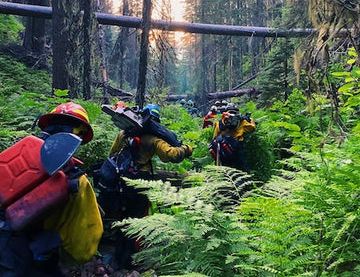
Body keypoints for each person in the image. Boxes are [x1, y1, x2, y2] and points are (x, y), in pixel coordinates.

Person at [0, 102, 103, 277]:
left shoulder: (18, 154)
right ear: (80, 135)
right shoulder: (76, 180)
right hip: (36, 257)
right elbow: (84, 248)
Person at [96, 103, 192, 269]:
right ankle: (131, 260)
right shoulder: (153, 139)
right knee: (138, 221)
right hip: (141, 183)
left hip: (121, 181)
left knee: (122, 219)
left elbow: (112, 154)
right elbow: (170, 155)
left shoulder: (123, 134)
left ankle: (119, 256)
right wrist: (187, 149)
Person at [210, 106, 256, 172]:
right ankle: (243, 180)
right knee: (242, 167)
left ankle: (228, 180)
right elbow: (252, 128)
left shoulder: (221, 122)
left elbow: (214, 137)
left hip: (224, 147)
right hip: (237, 145)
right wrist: (251, 120)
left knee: (226, 168)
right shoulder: (241, 122)